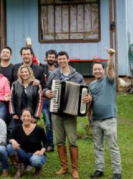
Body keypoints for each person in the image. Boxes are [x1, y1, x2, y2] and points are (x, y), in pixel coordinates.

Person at [44, 51, 85, 179]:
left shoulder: (77, 76)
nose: (61, 61)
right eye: (59, 59)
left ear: (68, 60)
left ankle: (75, 169)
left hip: (71, 113)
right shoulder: (53, 75)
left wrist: (86, 99)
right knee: (60, 140)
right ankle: (64, 167)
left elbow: (84, 91)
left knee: (72, 140)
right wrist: (47, 93)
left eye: (63, 59)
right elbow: (45, 88)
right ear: (57, 61)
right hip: (56, 111)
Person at [83, 49, 122, 179]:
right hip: (96, 121)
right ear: (92, 71)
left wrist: (110, 56)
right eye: (95, 69)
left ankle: (117, 172)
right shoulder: (91, 85)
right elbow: (90, 102)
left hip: (109, 120)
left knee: (113, 147)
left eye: (99, 69)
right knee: (97, 147)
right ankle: (99, 169)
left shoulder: (109, 81)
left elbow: (110, 69)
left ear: (103, 70)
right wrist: (89, 101)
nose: (97, 71)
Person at [7, 108, 48, 179]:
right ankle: (20, 168)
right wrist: (13, 141)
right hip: (23, 154)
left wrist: (42, 151)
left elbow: (46, 142)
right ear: (20, 117)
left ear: (32, 117)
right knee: (9, 147)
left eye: (28, 116)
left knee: (35, 160)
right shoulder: (17, 128)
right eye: (24, 116)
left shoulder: (39, 129)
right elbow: (9, 138)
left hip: (36, 155)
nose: (26, 118)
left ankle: (38, 168)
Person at [9, 65, 43, 131]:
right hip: (18, 116)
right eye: (22, 72)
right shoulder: (15, 84)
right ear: (20, 73)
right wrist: (13, 113)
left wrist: (36, 116)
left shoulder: (36, 85)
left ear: (29, 73)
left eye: (26, 72)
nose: (24, 74)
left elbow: (40, 101)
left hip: (31, 116)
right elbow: (11, 99)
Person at [39, 49, 58, 152]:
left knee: (57, 123)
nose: (51, 58)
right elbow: (32, 59)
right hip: (45, 100)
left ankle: (60, 143)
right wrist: (29, 45)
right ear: (46, 58)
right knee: (48, 123)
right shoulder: (41, 68)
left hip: (56, 100)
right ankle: (50, 145)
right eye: (49, 57)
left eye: (52, 57)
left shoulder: (59, 70)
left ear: (55, 59)